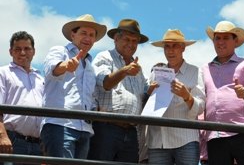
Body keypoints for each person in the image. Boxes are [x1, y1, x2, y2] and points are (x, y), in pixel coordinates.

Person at [40, 14, 107, 159]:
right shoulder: (59, 51)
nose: (88, 38)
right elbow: (52, 69)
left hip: (84, 129)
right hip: (60, 125)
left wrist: (96, 110)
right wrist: (66, 65)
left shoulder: (89, 65)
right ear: (72, 34)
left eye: (91, 35)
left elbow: (89, 96)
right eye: (83, 33)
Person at [200, 20, 244, 165]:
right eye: (217, 38)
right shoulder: (204, 68)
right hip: (215, 134)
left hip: (243, 130)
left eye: (226, 38)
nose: (220, 42)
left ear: (235, 41)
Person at [88, 19, 149, 163]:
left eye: (135, 41)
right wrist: (123, 71)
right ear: (116, 39)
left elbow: (146, 93)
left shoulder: (138, 70)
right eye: (127, 39)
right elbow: (105, 83)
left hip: (131, 131)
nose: (131, 44)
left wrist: (159, 86)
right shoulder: (105, 57)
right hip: (106, 127)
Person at [147, 29, 205, 165]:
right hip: (158, 141)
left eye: (175, 46)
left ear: (183, 48)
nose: (170, 50)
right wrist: (149, 93)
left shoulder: (195, 72)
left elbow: (201, 107)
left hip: (186, 140)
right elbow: (147, 105)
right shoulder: (155, 74)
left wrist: (187, 96)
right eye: (167, 46)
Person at [0, 31, 44, 165]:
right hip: (12, 140)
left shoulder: (40, 78)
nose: (22, 53)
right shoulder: (3, 73)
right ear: (10, 51)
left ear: (34, 51)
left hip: (37, 144)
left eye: (27, 49)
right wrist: (2, 136)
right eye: (18, 49)